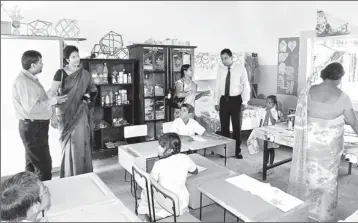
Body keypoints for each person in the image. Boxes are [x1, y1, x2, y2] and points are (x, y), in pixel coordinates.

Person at [288, 62, 358, 222]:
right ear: (340, 77)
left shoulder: (308, 91)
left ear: (324, 74)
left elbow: (303, 115)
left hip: (310, 142)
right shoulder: (343, 97)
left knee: (310, 174)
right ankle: (323, 214)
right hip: (329, 147)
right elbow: (353, 122)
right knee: (327, 179)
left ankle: (307, 209)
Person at [12, 50, 68, 181]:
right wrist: (53, 101)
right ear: (33, 65)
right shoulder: (24, 81)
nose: (42, 64)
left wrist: (52, 108)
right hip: (33, 127)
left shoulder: (29, 79)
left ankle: (33, 196)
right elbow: (32, 108)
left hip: (35, 127)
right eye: (40, 62)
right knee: (43, 166)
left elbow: (39, 101)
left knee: (33, 164)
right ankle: (44, 197)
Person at [47, 45, 98, 178]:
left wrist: (85, 99)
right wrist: (52, 114)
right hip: (65, 112)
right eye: (73, 57)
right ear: (67, 59)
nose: (76, 59)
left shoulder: (85, 74)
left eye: (77, 56)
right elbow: (51, 94)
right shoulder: (61, 73)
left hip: (81, 112)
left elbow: (93, 90)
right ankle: (70, 174)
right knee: (70, 143)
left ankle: (84, 174)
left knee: (82, 141)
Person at [137, 133, 198, 220]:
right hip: (179, 201)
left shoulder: (158, 164)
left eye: (161, 146)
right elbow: (195, 171)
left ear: (170, 151)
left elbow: (151, 182)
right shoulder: (185, 157)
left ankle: (153, 214)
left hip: (164, 201)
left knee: (146, 191)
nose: (158, 147)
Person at [214, 48, 251, 159]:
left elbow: (246, 85)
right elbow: (217, 85)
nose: (224, 61)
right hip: (223, 100)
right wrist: (216, 101)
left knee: (236, 128)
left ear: (231, 57)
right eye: (222, 59)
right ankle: (225, 150)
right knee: (224, 127)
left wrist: (245, 101)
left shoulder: (240, 68)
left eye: (225, 58)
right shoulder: (221, 69)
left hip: (236, 100)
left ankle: (237, 151)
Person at [247, 95, 280, 174]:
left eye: (269, 103)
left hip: (271, 133)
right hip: (264, 132)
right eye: (266, 102)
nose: (267, 104)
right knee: (265, 150)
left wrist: (269, 112)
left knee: (271, 149)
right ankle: (265, 166)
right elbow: (261, 120)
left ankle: (271, 166)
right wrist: (259, 129)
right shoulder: (263, 110)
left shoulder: (275, 111)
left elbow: (273, 122)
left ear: (274, 104)